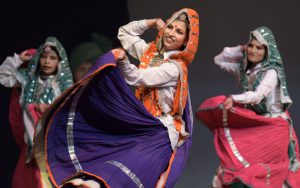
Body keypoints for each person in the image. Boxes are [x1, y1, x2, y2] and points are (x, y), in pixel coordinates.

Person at [35, 8, 199, 188]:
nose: (171, 33)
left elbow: (137, 77)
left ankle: (94, 184)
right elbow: (125, 33)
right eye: (170, 27)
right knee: (107, 150)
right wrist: (151, 22)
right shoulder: (150, 53)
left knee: (133, 170)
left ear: (186, 42)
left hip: (159, 132)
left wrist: (122, 61)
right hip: (141, 123)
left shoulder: (174, 68)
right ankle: (90, 181)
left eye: (179, 32)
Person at [196, 27, 300, 187]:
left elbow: (257, 95)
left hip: (275, 127)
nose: (253, 50)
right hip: (257, 122)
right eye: (251, 46)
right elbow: (219, 59)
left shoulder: (271, 72)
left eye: (259, 48)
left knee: (257, 172)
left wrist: (234, 98)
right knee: (233, 167)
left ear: (267, 51)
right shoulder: (245, 70)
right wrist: (241, 48)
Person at [0, 36, 73, 188]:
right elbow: (3, 77)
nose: (47, 61)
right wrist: (18, 59)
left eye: (52, 58)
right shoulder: (29, 81)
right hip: (31, 152)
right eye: (44, 57)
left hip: (54, 151)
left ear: (60, 62)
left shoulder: (64, 86)